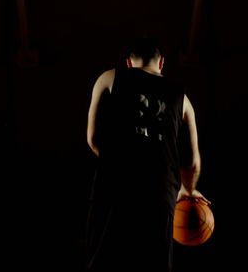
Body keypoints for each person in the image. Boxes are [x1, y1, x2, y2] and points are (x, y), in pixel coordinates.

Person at [85, 37, 209, 272]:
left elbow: (92, 139)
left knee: (104, 262)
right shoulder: (183, 98)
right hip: (160, 190)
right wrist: (188, 189)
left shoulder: (109, 77)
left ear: (128, 63)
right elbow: (193, 161)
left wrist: (116, 160)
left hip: (114, 184)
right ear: (161, 63)